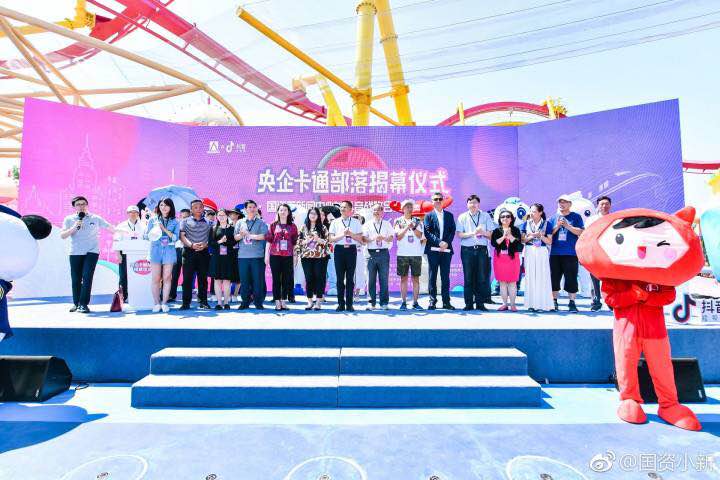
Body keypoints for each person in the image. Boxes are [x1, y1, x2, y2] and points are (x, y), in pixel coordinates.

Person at [60, 196, 115, 313]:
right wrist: (74, 227)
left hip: (92, 251)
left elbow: (110, 228)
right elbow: (63, 235)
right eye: (78, 204)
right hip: (75, 252)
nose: (81, 206)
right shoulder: (69, 219)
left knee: (87, 277)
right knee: (76, 279)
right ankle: (76, 303)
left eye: (83, 204)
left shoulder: (95, 218)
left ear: (87, 205)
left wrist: (126, 233)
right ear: (74, 207)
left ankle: (83, 304)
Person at [547, 194, 585, 312]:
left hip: (571, 253)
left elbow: (580, 232)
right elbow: (548, 234)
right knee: (554, 278)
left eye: (564, 202)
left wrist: (568, 226)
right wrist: (557, 226)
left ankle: (572, 302)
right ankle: (554, 301)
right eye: (560, 202)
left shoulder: (576, 217)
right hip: (555, 253)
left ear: (570, 204)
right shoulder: (553, 218)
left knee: (571, 278)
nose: (562, 204)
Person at [456, 194, 494, 311]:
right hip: (467, 250)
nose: (473, 205)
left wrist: (482, 232)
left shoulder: (485, 216)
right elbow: (459, 234)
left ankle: (480, 304)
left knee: (481, 278)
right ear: (467, 204)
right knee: (468, 278)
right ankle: (468, 304)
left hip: (481, 250)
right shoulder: (462, 217)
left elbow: (490, 234)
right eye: (470, 202)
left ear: (479, 204)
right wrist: (473, 233)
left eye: (475, 202)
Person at [145, 198, 180, 313]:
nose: (163, 207)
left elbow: (175, 238)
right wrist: (154, 232)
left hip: (169, 251)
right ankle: (156, 303)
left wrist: (163, 228)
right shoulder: (153, 219)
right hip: (155, 250)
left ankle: (164, 303)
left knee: (167, 278)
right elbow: (146, 236)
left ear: (171, 207)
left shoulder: (175, 221)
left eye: (166, 205)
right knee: (155, 278)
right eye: (161, 205)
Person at [328, 200, 364, 311]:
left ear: (350, 210)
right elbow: (331, 239)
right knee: (339, 278)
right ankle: (340, 304)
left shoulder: (356, 222)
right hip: (339, 250)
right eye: (341, 207)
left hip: (351, 250)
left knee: (350, 278)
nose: (342, 209)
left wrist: (351, 234)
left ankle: (349, 304)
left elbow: (360, 239)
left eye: (345, 207)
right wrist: (343, 234)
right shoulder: (335, 222)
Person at [423, 191, 456, 310]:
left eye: (440, 199)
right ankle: (432, 301)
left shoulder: (449, 215)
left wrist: (446, 243)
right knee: (432, 276)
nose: (438, 201)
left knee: (445, 277)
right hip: (433, 250)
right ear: (432, 202)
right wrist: (439, 242)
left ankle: (446, 302)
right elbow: (427, 232)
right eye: (435, 199)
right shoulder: (428, 216)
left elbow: (452, 231)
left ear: (443, 201)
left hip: (446, 250)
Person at [234, 199, 269, 310]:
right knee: (244, 280)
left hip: (257, 256)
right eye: (249, 207)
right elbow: (235, 237)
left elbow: (265, 236)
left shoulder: (261, 222)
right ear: (245, 209)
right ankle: (245, 302)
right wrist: (241, 235)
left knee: (257, 280)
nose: (252, 209)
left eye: (254, 207)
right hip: (243, 256)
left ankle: (258, 302)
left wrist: (250, 236)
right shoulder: (240, 222)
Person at [179, 199, 212, 310]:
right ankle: (186, 303)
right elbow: (182, 236)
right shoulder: (184, 221)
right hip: (189, 252)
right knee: (187, 279)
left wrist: (206, 245)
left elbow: (212, 238)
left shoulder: (209, 222)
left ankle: (203, 301)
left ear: (203, 208)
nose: (198, 209)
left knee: (203, 279)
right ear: (191, 209)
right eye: (195, 207)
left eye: (200, 207)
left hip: (204, 253)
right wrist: (192, 245)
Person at [265, 204, 299, 310]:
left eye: (285, 210)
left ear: (288, 212)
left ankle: (283, 301)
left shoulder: (293, 226)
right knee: (276, 280)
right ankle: (277, 302)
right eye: (281, 210)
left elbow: (295, 243)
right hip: (275, 256)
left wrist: (295, 256)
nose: (283, 212)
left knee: (286, 279)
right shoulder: (273, 225)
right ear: (278, 212)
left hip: (288, 256)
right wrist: (266, 255)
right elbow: (268, 241)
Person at [521, 203, 554, 312]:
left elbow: (549, 241)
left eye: (534, 211)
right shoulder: (526, 223)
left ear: (540, 212)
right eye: (530, 211)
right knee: (530, 276)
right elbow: (522, 240)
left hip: (542, 251)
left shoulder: (547, 224)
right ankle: (530, 304)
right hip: (529, 250)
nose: (531, 213)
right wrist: (532, 236)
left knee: (542, 276)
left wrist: (541, 236)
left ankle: (542, 304)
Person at [296, 207, 330, 310]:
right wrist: (305, 241)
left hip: (320, 257)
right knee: (309, 278)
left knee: (319, 278)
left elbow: (328, 242)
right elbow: (298, 242)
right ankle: (310, 301)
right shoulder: (303, 227)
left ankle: (318, 302)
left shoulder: (323, 228)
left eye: (315, 213)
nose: (313, 215)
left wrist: (318, 239)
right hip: (306, 257)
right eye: (311, 213)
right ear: (308, 215)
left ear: (318, 216)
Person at [394, 199, 425, 310]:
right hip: (402, 254)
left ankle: (415, 303)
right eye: (407, 207)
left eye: (411, 207)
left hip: (416, 254)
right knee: (403, 279)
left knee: (415, 279)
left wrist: (413, 227)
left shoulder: (418, 220)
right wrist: (407, 227)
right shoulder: (398, 221)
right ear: (402, 209)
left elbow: (420, 236)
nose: (409, 209)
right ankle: (403, 302)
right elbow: (398, 236)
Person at [362, 204, 394, 310]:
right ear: (372, 212)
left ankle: (384, 303)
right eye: (374, 210)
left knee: (384, 279)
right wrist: (373, 238)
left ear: (382, 212)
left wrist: (383, 238)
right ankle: (371, 303)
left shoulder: (387, 224)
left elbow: (391, 238)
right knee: (370, 279)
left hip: (383, 253)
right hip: (370, 253)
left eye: (379, 210)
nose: (376, 212)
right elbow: (364, 239)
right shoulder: (367, 224)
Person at [491, 210, 523, 311]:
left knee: (512, 282)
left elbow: (519, 245)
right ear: (500, 219)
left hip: (513, 258)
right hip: (500, 258)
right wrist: (503, 236)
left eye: (508, 216)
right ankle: (504, 304)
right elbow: (494, 243)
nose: (505, 218)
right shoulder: (496, 230)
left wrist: (510, 236)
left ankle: (513, 304)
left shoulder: (516, 230)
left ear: (511, 218)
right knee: (502, 282)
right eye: (503, 216)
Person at [586, 195, 612, 311]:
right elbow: (586, 236)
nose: (604, 206)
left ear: (610, 205)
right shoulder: (591, 220)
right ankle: (596, 301)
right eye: (602, 204)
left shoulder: (614, 218)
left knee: (610, 278)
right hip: (595, 252)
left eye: (607, 204)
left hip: (610, 253)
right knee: (594, 277)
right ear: (598, 206)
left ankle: (611, 301)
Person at [113, 205, 144, 302]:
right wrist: (118, 255)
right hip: (124, 254)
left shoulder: (143, 225)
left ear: (138, 214)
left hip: (140, 254)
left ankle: (138, 295)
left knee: (139, 275)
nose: (133, 214)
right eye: (131, 212)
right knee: (123, 276)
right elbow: (116, 241)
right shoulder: (121, 226)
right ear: (127, 213)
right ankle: (123, 296)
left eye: (135, 212)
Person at [209, 209, 238, 310]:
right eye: (219, 215)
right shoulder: (213, 228)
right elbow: (211, 243)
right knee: (217, 280)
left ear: (227, 216)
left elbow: (235, 242)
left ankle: (226, 302)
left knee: (227, 280)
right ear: (217, 217)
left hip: (228, 257)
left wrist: (227, 242)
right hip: (216, 257)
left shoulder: (232, 228)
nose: (221, 217)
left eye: (223, 215)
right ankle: (219, 302)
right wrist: (220, 241)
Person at [169, 208, 190, 302]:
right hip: (176, 250)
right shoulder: (175, 225)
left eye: (186, 217)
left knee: (187, 275)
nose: (183, 219)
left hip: (188, 250)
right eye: (182, 216)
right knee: (174, 274)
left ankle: (186, 298)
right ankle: (171, 295)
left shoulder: (192, 226)